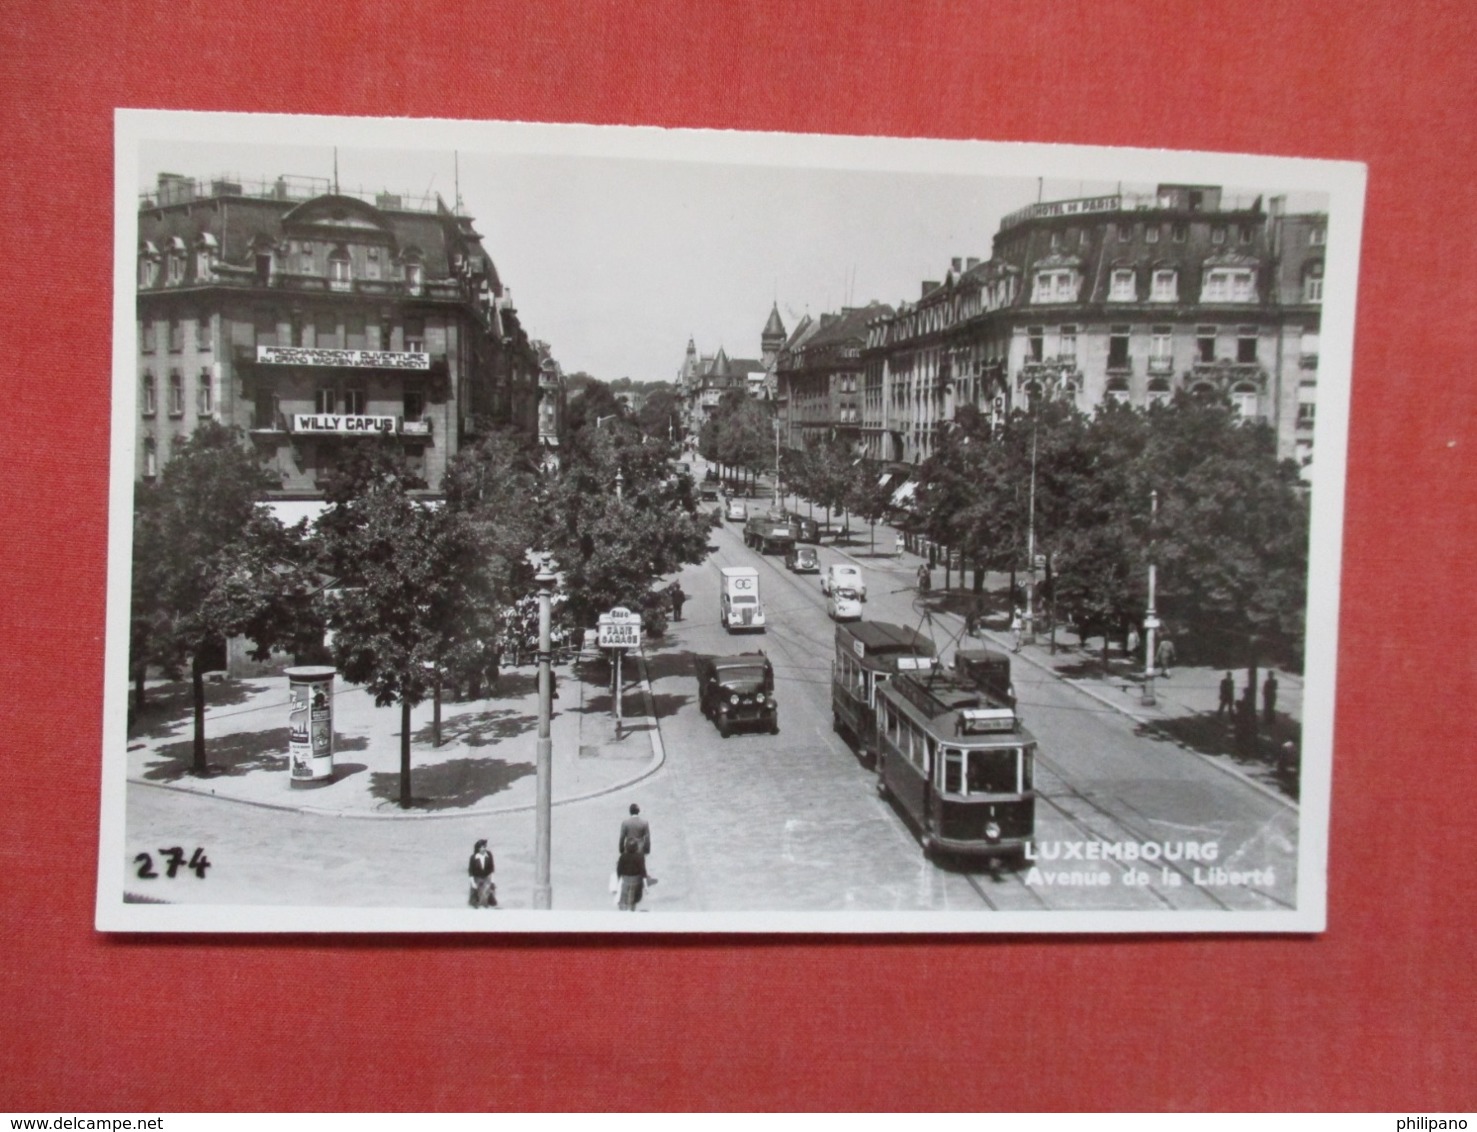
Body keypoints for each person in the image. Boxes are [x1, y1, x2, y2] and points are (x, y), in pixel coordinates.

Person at [616, 836, 649, 911]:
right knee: (633, 898)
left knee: (624, 896)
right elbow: (643, 871)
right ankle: (632, 908)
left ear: (626, 847)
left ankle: (624, 908)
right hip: (637, 880)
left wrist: (618, 880)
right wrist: (646, 886)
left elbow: (619, 869)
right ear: (636, 847)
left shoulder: (623, 856)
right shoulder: (640, 857)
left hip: (626, 879)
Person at [468, 839, 496, 908]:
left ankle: (489, 902)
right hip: (477, 877)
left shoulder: (489, 855)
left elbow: (491, 869)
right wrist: (473, 884)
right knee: (477, 892)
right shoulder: (473, 857)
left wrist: (492, 881)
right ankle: (475, 903)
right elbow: (471, 872)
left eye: (485, 847)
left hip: (486, 876)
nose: (484, 849)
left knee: (488, 890)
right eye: (482, 847)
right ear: (478, 848)